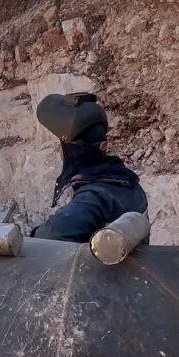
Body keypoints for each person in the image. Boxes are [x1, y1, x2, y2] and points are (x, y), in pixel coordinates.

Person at [31, 92, 149, 243]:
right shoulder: (127, 180)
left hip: (105, 259)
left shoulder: (92, 199)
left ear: (71, 149)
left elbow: (45, 239)